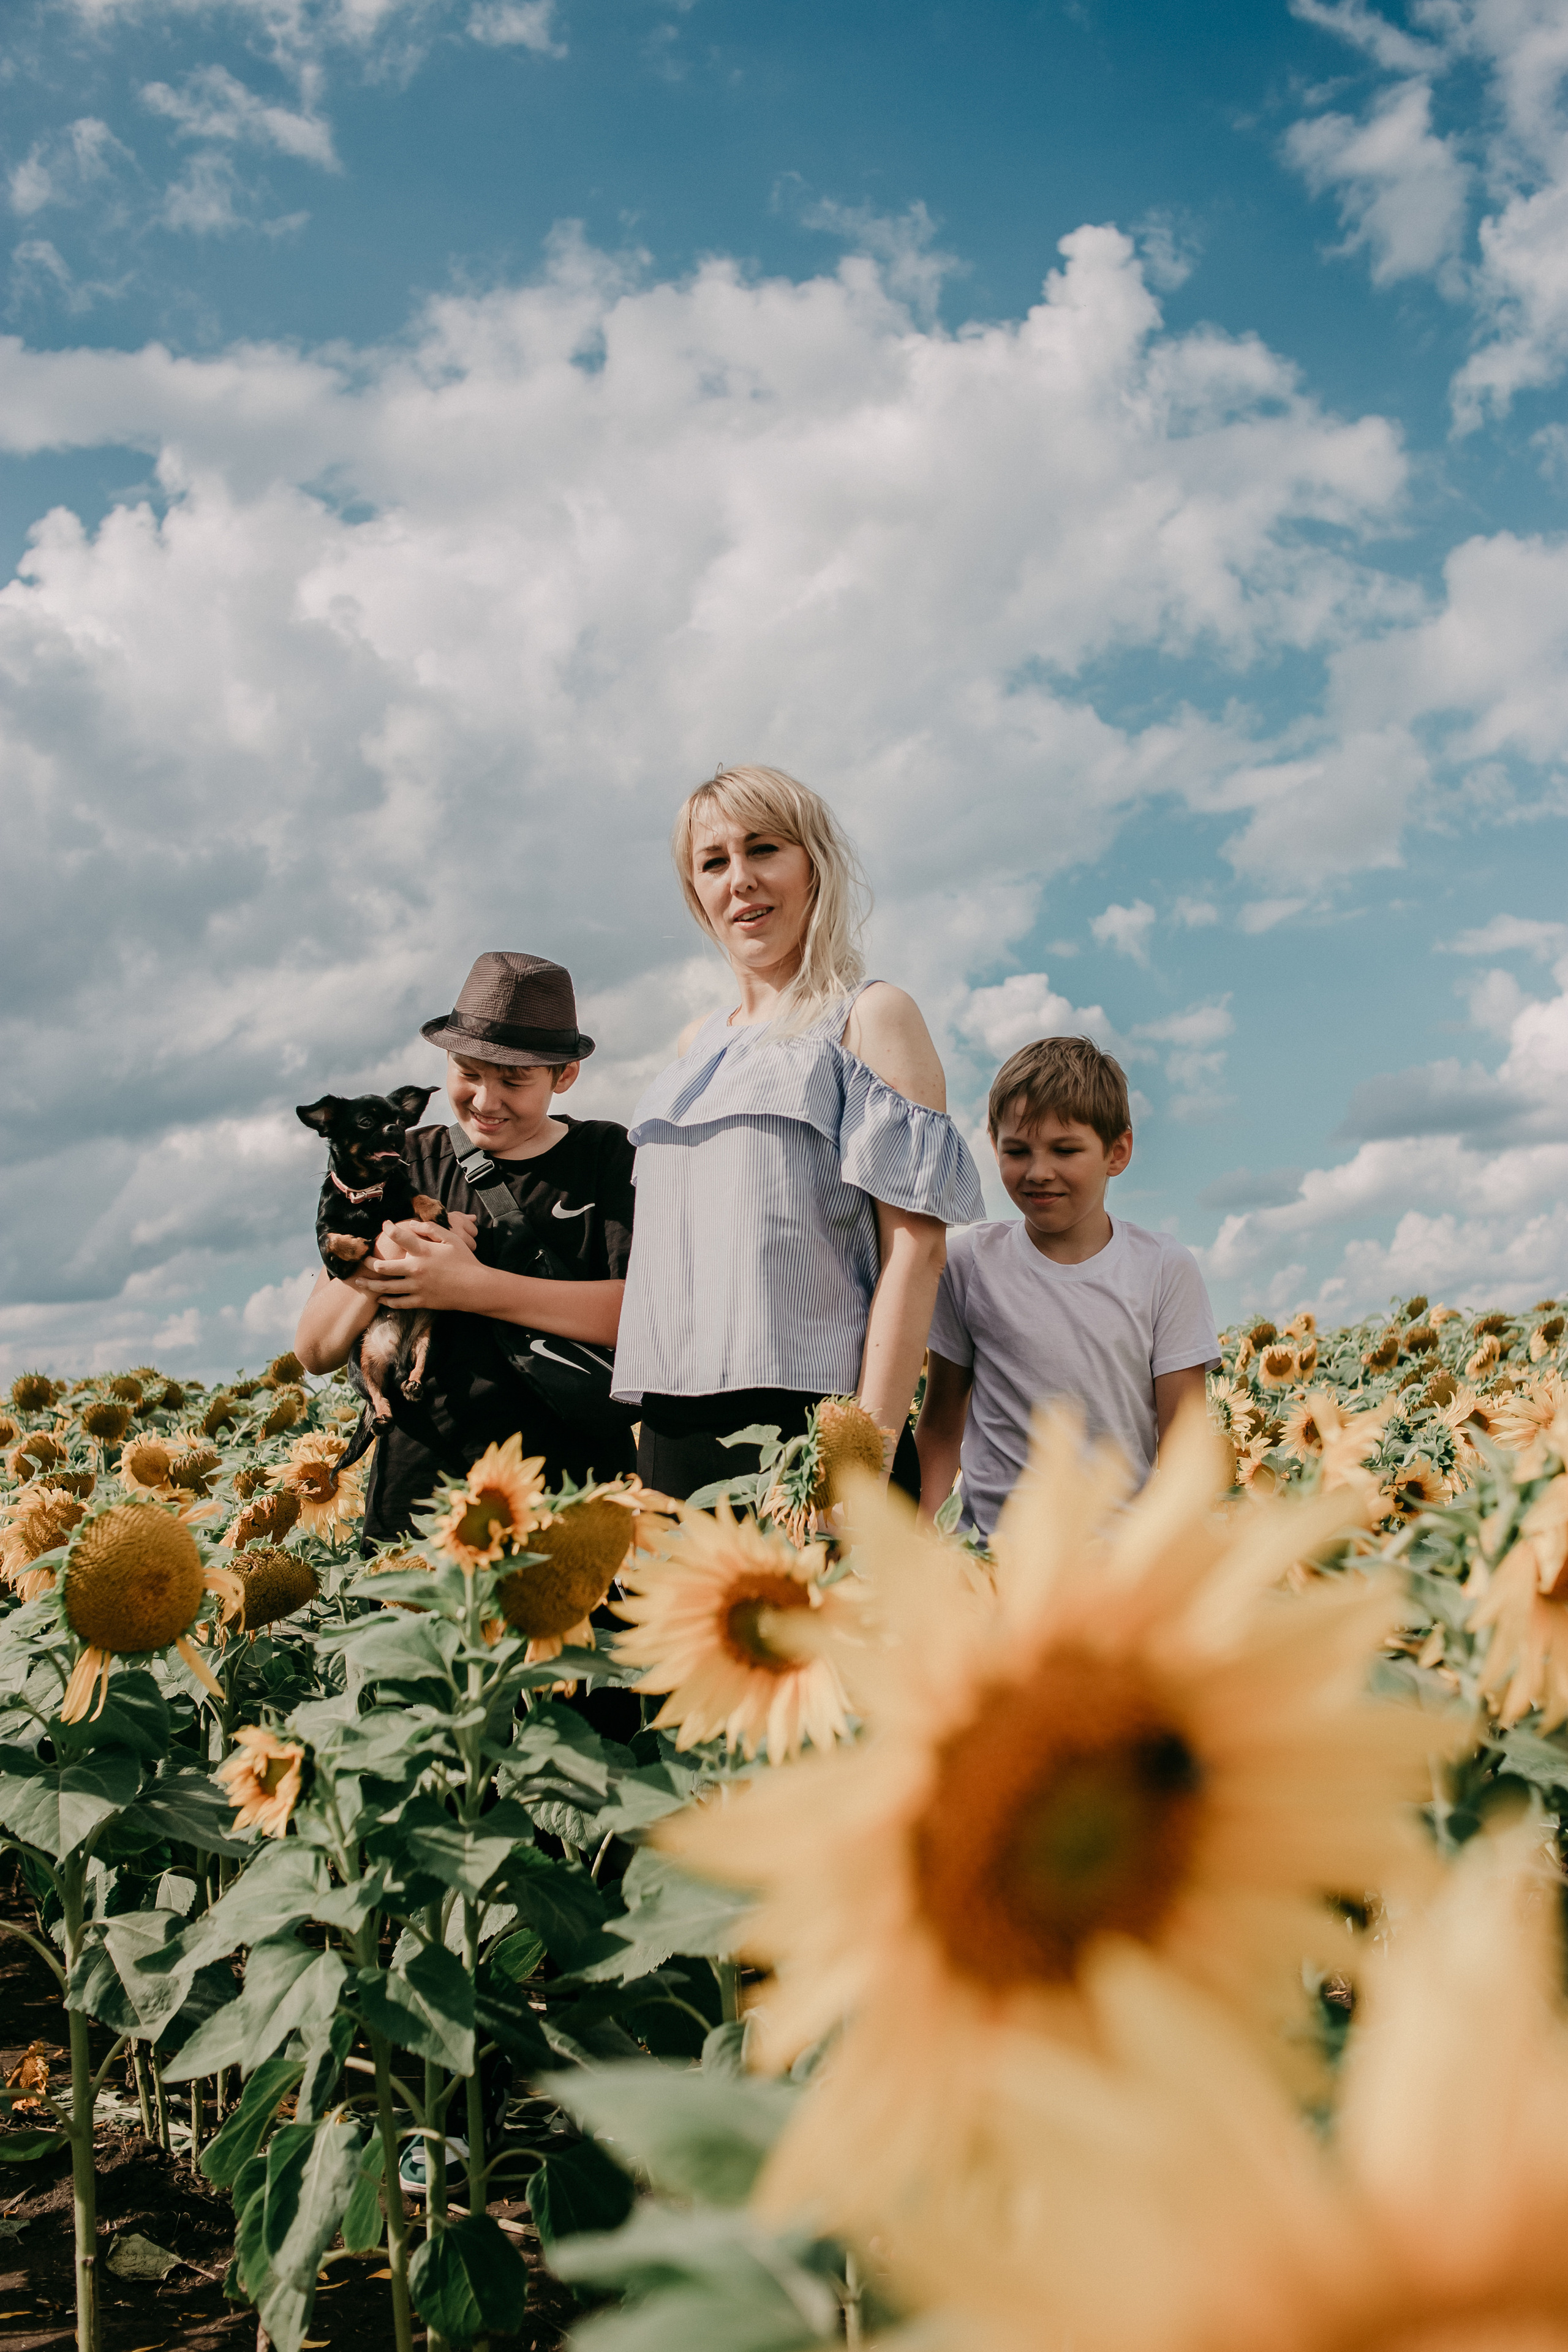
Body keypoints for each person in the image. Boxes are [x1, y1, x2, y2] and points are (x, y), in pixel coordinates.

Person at [612, 764, 985, 1504]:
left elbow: (916, 1250)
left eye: (763, 849)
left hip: (809, 1427)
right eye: (714, 863)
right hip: (669, 1433)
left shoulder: (870, 1017)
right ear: (698, 894)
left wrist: (859, 1465)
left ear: (812, 865)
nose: (739, 879)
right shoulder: (695, 1044)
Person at [294, 952, 635, 1549]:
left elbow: (638, 1316)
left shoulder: (606, 1157)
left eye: (513, 1080)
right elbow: (316, 1348)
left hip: (576, 1500)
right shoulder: (402, 1159)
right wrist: (384, 1260)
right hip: (419, 1501)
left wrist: (467, 1287)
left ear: (564, 1075)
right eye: (468, 1072)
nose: (485, 1099)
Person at [914, 1033, 1221, 1541]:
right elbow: (943, 1423)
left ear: (1117, 1151)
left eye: (1065, 1149)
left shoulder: (1164, 1269)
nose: (1039, 1171)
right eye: (1017, 1150)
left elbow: (1185, 1444)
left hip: (1112, 1569)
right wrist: (913, 1544)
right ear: (993, 1146)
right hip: (988, 1554)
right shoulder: (970, 1263)